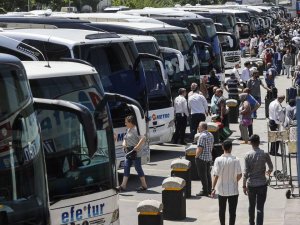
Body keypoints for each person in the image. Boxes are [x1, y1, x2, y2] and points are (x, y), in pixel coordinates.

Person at [243, 134, 273, 225]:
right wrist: (268, 172)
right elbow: (271, 167)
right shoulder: (265, 154)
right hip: (262, 184)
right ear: (259, 142)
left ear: (251, 143)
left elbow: (246, 172)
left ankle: (251, 223)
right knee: (260, 208)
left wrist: (244, 185)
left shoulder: (247, 155)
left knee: (251, 206)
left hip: (251, 184)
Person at [212, 140, 242, 225]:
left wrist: (213, 188)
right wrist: (234, 181)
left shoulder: (218, 160)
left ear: (222, 147)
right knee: (232, 212)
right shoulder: (236, 160)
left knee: (222, 210)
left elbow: (216, 175)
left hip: (222, 191)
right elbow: (240, 175)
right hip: (234, 190)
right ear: (231, 148)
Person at [117, 115, 147, 192]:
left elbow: (143, 138)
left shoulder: (136, 129)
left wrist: (136, 147)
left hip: (135, 152)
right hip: (128, 151)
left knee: (137, 168)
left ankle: (144, 185)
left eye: (126, 122)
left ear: (131, 122)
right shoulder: (129, 129)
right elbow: (125, 138)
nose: (125, 124)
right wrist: (124, 143)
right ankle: (123, 185)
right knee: (126, 167)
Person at [195, 122, 214, 196]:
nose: (198, 128)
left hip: (201, 158)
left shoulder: (202, 136)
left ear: (202, 127)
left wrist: (196, 156)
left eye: (199, 126)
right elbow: (212, 146)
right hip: (209, 157)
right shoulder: (210, 134)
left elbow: (200, 148)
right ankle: (209, 189)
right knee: (208, 174)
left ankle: (205, 191)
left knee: (202, 175)